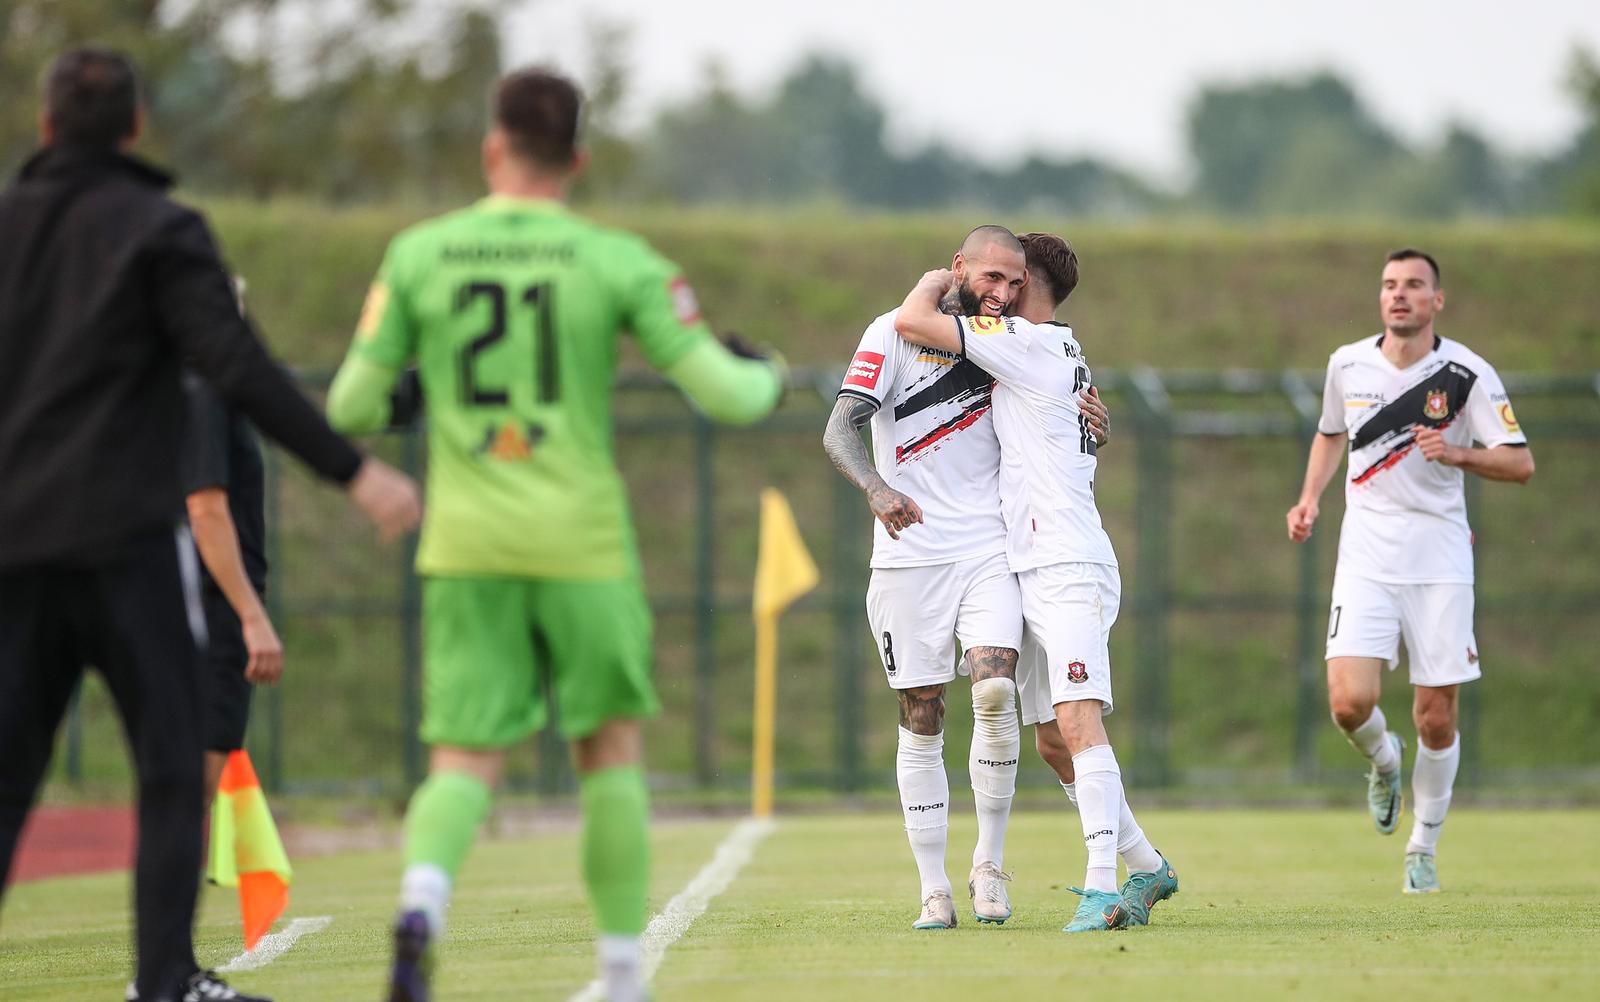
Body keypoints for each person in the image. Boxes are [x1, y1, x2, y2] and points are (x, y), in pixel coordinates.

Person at [324, 67, 785, 1002]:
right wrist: (765, 369)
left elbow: (350, 405)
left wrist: (414, 390)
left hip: (467, 546)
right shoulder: (615, 259)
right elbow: (729, 396)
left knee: (462, 758)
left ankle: (421, 904)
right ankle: (620, 976)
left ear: (492, 148)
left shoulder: (420, 253)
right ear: (577, 159)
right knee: (607, 751)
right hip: (580, 544)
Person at [0, 48, 421, 1002]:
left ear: (47, 126)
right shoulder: (162, 229)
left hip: (16, 546)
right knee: (170, 761)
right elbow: (236, 365)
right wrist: (353, 472)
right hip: (126, 545)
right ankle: (165, 983)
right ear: (139, 127)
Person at [891, 232, 1179, 934]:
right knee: (1052, 739)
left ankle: (1104, 887)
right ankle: (1148, 864)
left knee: (1079, 721)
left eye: (1010, 279)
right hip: (1031, 564)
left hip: (1067, 562)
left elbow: (909, 322)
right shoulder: (1053, 349)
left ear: (1026, 286)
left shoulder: (1025, 340)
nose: (998, 291)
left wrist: (938, 279)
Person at [822, 226, 1107, 931]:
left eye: (1015, 284)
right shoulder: (892, 333)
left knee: (994, 689)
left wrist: (1097, 424)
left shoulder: (1008, 339)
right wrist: (874, 487)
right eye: (993, 279)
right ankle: (932, 887)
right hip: (908, 552)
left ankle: (988, 865)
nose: (1004, 294)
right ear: (960, 268)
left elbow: (1063, 418)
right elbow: (838, 429)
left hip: (989, 547)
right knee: (922, 714)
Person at [1285, 249, 1533, 894]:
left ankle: (1423, 846)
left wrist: (1455, 452)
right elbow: (1331, 432)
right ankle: (1384, 759)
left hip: (1440, 559)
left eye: (1414, 286)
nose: (1400, 295)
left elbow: (1519, 462)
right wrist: (1310, 496)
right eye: (1390, 285)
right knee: (1348, 703)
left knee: (1436, 717)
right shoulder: (1348, 363)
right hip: (1365, 556)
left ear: (1436, 300)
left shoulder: (1464, 373)